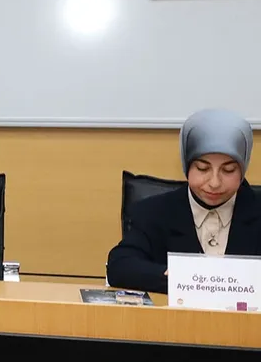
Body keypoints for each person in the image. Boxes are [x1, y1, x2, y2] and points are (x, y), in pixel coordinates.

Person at [107, 108, 261, 294]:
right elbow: (120, 266)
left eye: (228, 170)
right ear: (187, 166)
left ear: (243, 170)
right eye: (202, 168)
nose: (214, 183)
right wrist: (181, 279)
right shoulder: (154, 211)